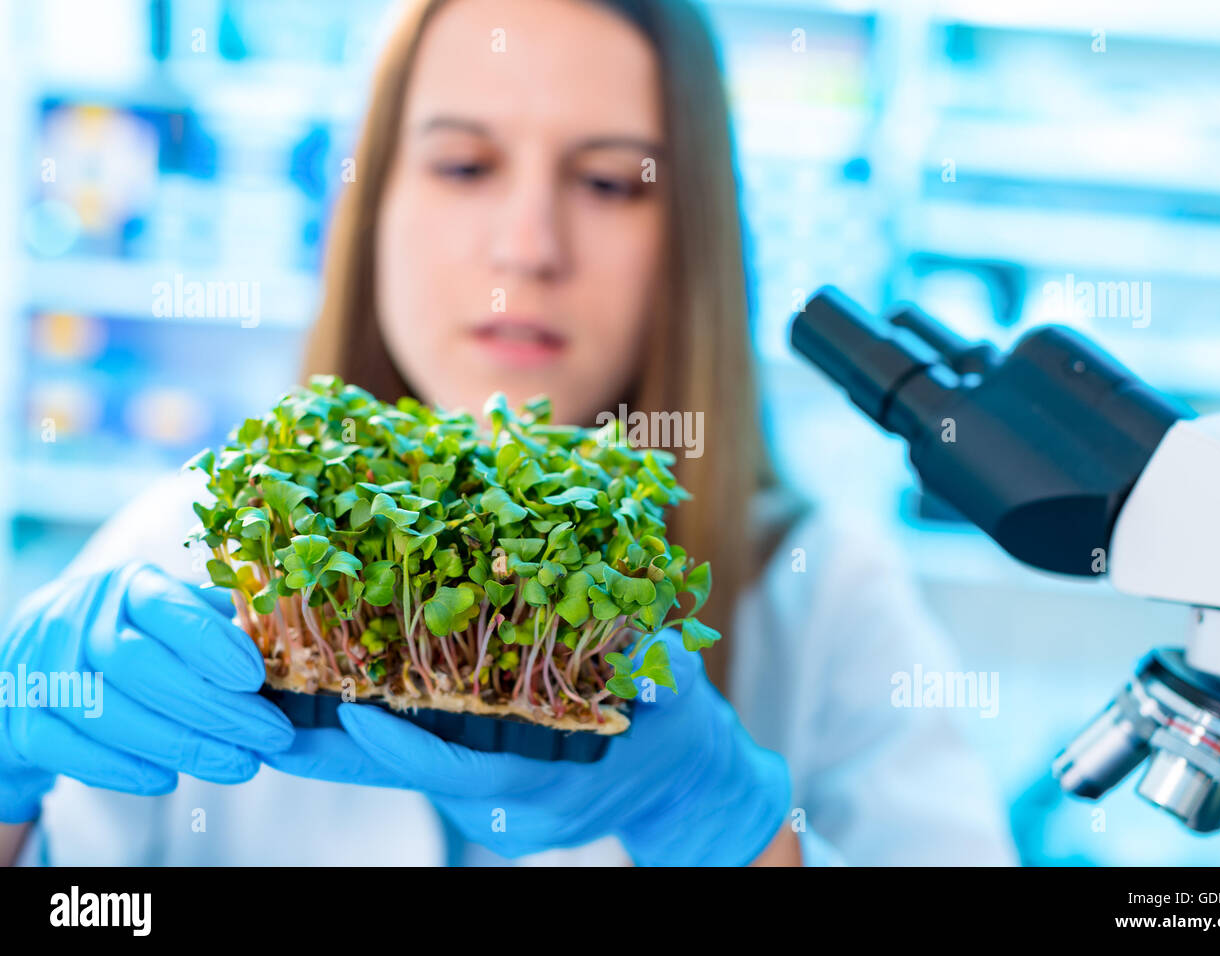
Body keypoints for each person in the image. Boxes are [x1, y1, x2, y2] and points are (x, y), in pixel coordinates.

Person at [0, 0, 1015, 866]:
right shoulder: (188, 557)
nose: (526, 246)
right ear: (374, 204)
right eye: (463, 164)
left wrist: (734, 830)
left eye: (610, 181)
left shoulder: (824, 599)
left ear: (690, 237)